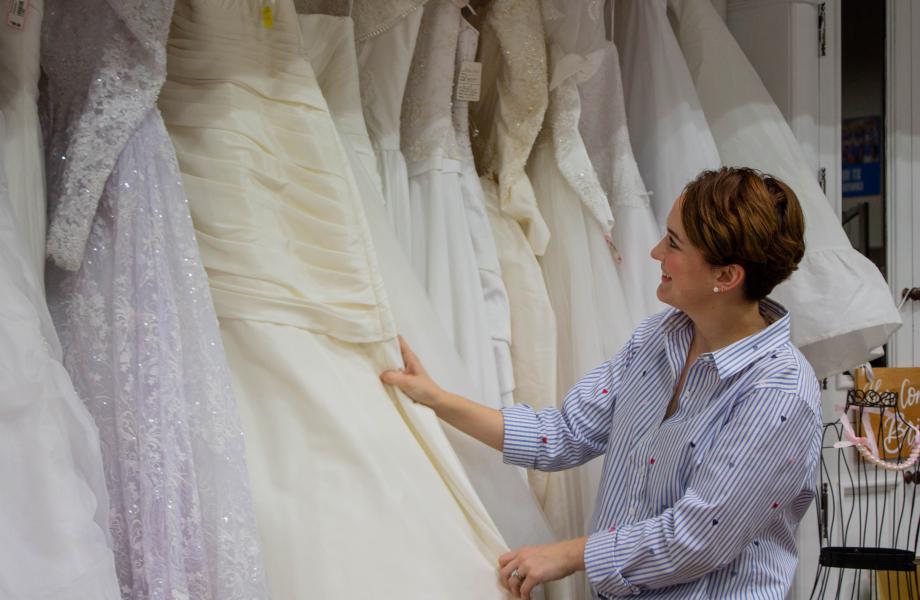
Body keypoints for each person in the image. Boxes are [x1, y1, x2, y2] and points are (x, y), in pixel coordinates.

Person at [381, 167, 822, 599]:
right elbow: (563, 433)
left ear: (726, 276)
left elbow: (696, 538)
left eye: (673, 243)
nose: (654, 253)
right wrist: (438, 400)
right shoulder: (658, 339)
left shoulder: (778, 396)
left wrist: (570, 555)